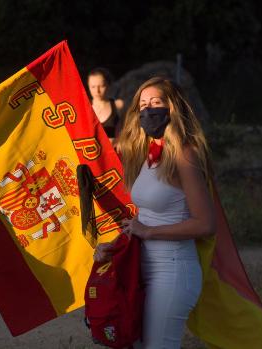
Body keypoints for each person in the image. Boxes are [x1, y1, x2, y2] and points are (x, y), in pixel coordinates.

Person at [94, 77, 216, 348]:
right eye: (143, 104)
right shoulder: (149, 156)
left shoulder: (185, 154)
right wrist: (115, 247)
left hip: (173, 271)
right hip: (141, 268)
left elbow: (205, 224)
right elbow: (146, 218)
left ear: (172, 107)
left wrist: (149, 232)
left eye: (156, 103)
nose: (148, 110)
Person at [87, 67, 124, 143]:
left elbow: (125, 131)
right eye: (93, 87)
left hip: (113, 152)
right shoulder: (84, 107)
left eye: (101, 86)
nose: (97, 91)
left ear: (108, 85)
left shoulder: (118, 105)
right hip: (90, 152)